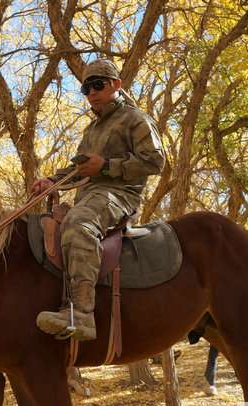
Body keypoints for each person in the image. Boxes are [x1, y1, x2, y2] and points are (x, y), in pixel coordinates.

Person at [32, 59, 166, 341]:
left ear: (116, 84)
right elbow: (78, 168)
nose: (91, 92)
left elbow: (156, 161)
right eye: (86, 88)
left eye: (98, 85)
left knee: (78, 224)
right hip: (89, 196)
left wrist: (106, 166)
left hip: (120, 195)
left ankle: (82, 314)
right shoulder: (91, 130)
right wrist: (52, 182)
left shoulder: (135, 119)